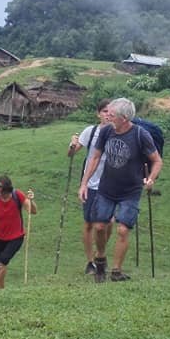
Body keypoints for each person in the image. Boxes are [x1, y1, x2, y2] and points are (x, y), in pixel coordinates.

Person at [78, 97, 162, 283]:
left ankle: (116, 271)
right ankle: (100, 259)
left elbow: (157, 160)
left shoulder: (141, 135)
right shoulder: (107, 131)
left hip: (130, 191)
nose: (108, 117)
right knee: (99, 226)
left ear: (123, 118)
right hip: (107, 188)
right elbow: (95, 157)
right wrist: (84, 183)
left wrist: (151, 179)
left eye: (112, 115)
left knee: (123, 230)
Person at [69, 99, 113, 274]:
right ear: (98, 114)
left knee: (109, 222)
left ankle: (99, 253)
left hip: (111, 183)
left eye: (111, 112)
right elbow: (72, 153)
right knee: (89, 223)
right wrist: (72, 144)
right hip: (91, 183)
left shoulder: (118, 132)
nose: (108, 115)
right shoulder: (91, 131)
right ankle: (90, 262)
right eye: (104, 111)